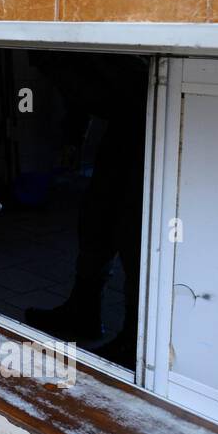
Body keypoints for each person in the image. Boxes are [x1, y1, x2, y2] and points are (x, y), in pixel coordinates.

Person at [24, 53, 149, 367]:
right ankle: (83, 310)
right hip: (122, 123)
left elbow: (125, 88)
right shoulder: (65, 58)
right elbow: (78, 95)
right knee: (96, 218)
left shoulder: (113, 59)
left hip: (150, 121)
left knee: (133, 232)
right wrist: (73, 138)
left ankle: (135, 341)